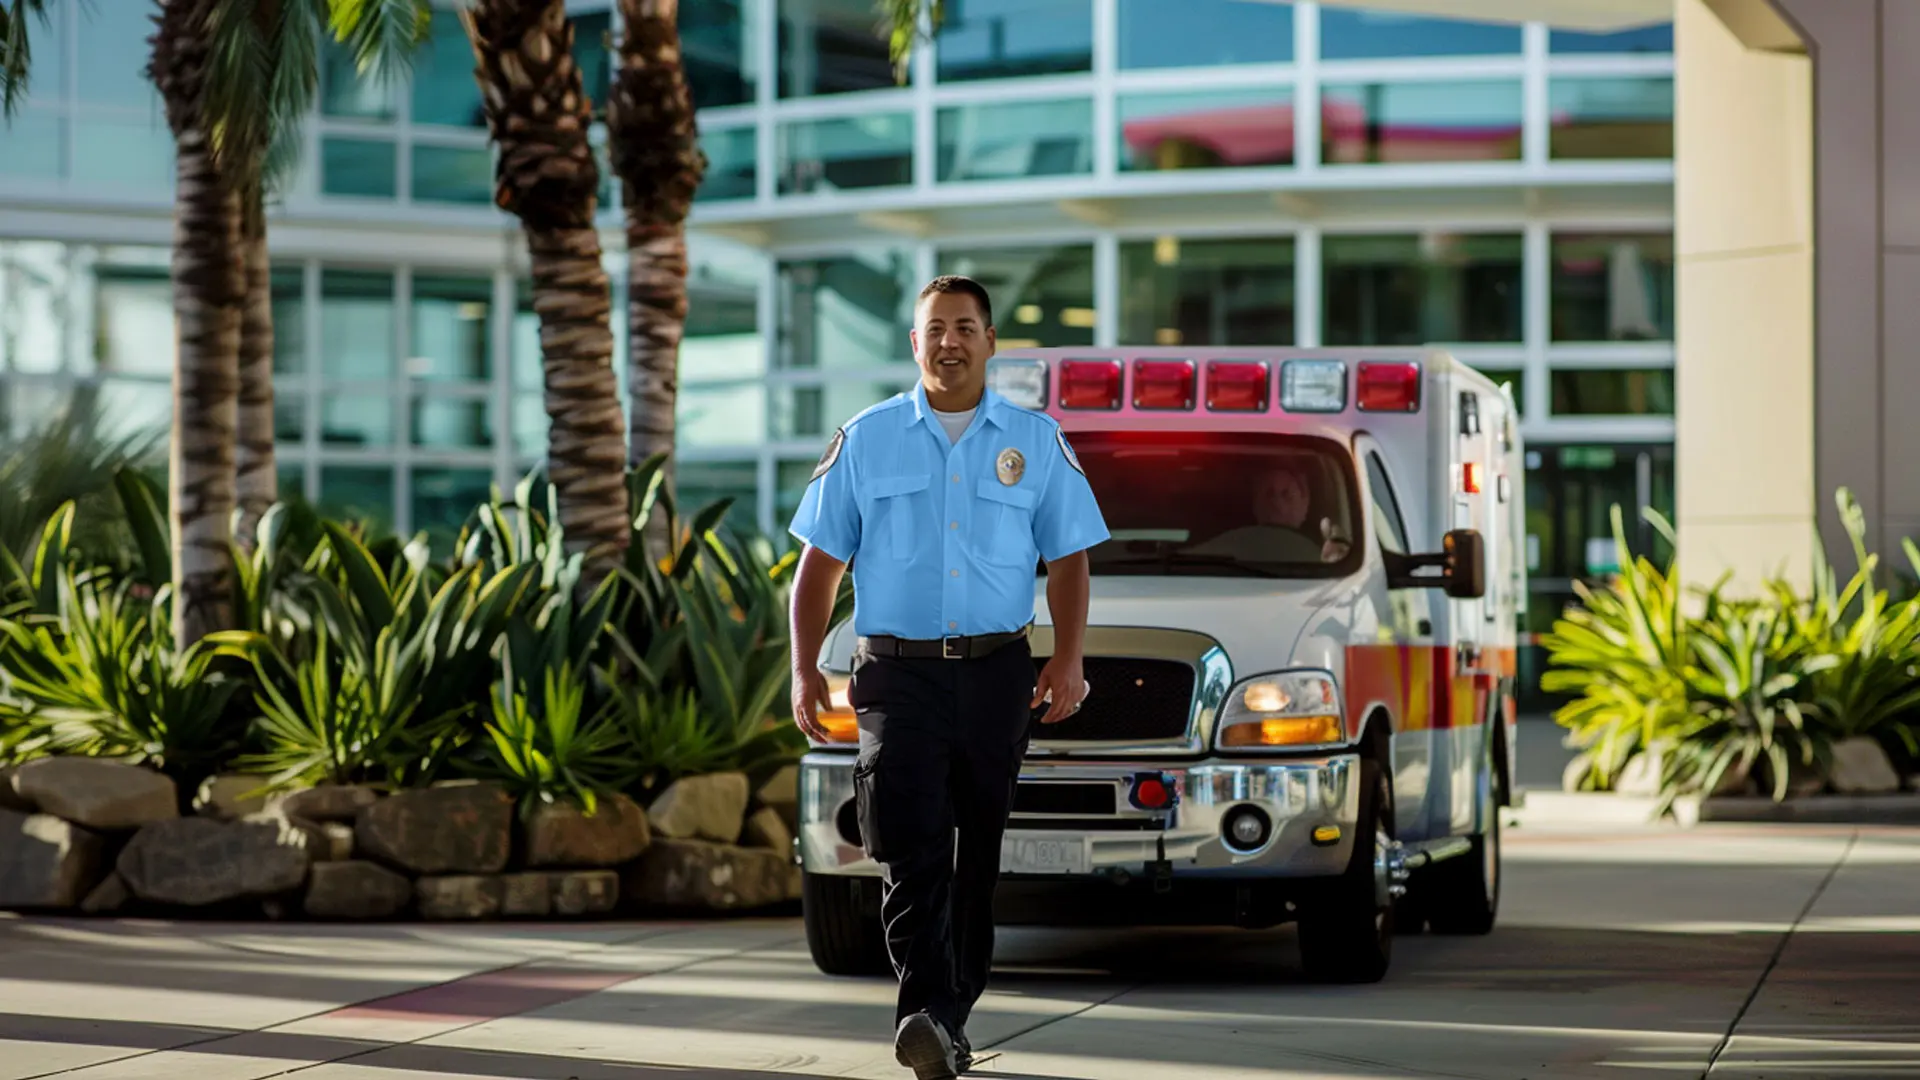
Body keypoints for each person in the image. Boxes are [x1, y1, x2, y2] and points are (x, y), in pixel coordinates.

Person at [786, 275, 1110, 1080]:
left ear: (991, 340)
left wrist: (1068, 657)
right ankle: (925, 1012)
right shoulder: (866, 438)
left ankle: (947, 1017)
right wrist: (801, 671)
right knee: (908, 846)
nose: (949, 342)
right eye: (935, 328)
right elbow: (817, 567)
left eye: (965, 327)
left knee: (977, 854)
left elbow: (1069, 559)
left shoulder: (1034, 441)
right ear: (914, 343)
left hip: (997, 672)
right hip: (896, 677)